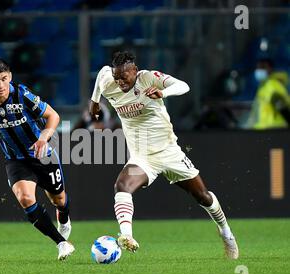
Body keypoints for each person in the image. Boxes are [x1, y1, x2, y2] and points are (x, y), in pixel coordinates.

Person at [89, 51, 239, 259]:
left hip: (169, 152)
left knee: (203, 197)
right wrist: (95, 101)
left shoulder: (149, 78)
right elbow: (102, 74)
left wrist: (163, 93)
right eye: (117, 77)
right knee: (121, 186)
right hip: (142, 157)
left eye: (124, 76)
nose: (120, 81)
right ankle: (126, 237)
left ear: (135, 71)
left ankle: (226, 233)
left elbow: (183, 86)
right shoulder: (109, 80)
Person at [0, 58, 74, 260]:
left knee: (59, 200)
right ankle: (61, 243)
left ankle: (64, 221)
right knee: (25, 198)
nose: (0, 85)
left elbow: (53, 116)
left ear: (9, 77)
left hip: (42, 155)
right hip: (15, 159)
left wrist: (43, 138)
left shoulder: (22, 95)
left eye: (3, 79)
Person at [244, 58, 290, 129]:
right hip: (265, 130)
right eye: (258, 68)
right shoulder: (263, 86)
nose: (259, 71)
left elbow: (282, 107)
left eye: (263, 67)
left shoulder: (272, 86)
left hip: (274, 129)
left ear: (270, 69)